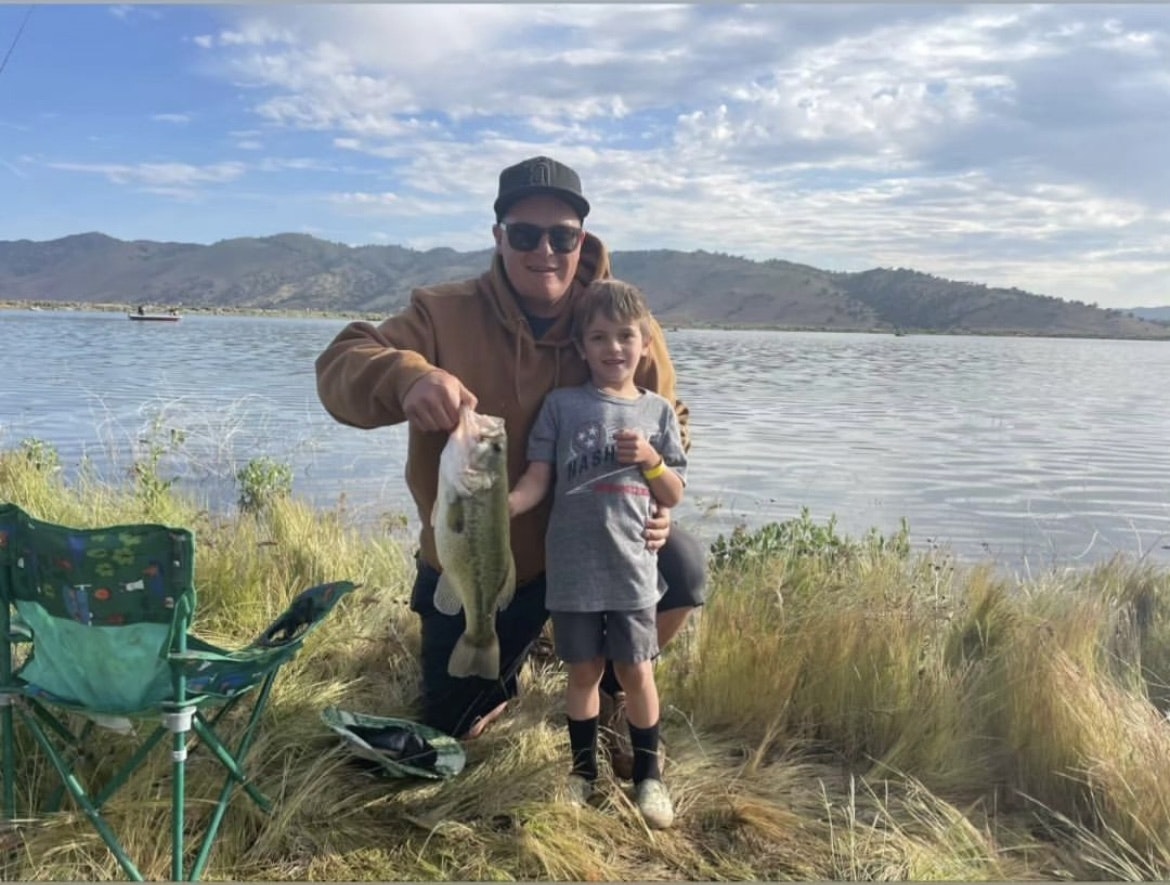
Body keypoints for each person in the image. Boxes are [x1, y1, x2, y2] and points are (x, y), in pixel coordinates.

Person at [314, 154, 707, 767]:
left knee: (682, 564)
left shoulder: (623, 322)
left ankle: (607, 696)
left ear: (582, 239)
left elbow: (668, 417)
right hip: (492, 562)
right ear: (499, 238)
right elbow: (341, 364)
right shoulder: (442, 313)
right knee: (457, 730)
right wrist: (402, 376)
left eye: (562, 236)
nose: (544, 250)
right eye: (525, 234)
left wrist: (657, 496)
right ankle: (504, 677)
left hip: (599, 544)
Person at [508, 278, 685, 829]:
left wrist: (653, 461)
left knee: (636, 671)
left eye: (625, 336)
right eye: (599, 337)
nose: (613, 348)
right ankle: (582, 772)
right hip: (574, 571)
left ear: (645, 342)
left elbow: (674, 490)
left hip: (633, 571)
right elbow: (538, 479)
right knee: (582, 671)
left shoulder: (658, 413)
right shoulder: (560, 406)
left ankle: (649, 778)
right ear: (581, 347)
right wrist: (502, 506)